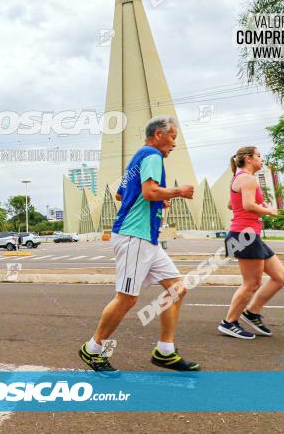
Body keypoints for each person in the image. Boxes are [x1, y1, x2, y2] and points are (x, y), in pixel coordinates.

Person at [79, 115, 199, 373]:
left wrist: (159, 199)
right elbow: (148, 192)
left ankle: (165, 351)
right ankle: (93, 349)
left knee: (177, 288)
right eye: (172, 138)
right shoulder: (153, 156)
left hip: (147, 238)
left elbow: (122, 194)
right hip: (136, 236)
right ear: (159, 135)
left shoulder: (138, 157)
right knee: (127, 299)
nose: (174, 144)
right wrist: (177, 192)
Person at [217, 147, 284, 339]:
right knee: (252, 283)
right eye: (258, 156)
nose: (261, 159)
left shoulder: (239, 177)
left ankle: (252, 312)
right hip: (243, 235)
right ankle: (229, 322)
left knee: (280, 277)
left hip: (249, 234)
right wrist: (269, 211)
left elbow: (232, 205)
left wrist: (258, 205)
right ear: (248, 159)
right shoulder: (248, 178)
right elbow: (248, 205)